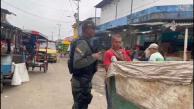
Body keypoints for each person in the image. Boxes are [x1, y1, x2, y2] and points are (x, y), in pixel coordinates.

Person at [69, 20, 101, 109]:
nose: (94, 31)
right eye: (93, 29)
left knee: (79, 106)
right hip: (80, 83)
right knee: (80, 106)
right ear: (87, 29)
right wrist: (93, 57)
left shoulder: (85, 41)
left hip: (83, 81)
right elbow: (77, 63)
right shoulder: (82, 43)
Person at [103, 33, 131, 109]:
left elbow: (130, 64)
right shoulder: (108, 53)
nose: (118, 44)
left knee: (121, 103)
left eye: (120, 42)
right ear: (112, 42)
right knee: (112, 103)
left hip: (123, 81)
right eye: (116, 42)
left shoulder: (123, 52)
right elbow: (108, 69)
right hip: (112, 82)